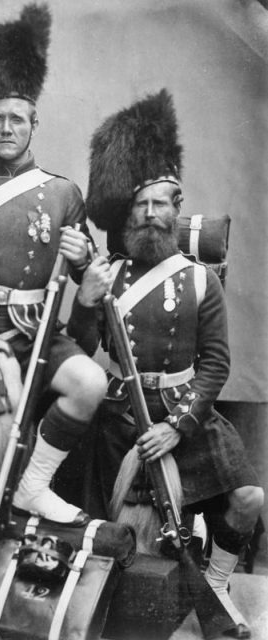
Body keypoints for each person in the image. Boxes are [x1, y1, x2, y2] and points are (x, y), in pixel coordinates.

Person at [68, 89, 264, 638]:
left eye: (160, 203)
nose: (150, 214)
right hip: (119, 416)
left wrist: (179, 427)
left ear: (178, 207)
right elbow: (79, 347)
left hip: (184, 415)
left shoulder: (202, 278)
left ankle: (219, 582)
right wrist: (85, 298)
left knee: (249, 498)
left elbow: (217, 364)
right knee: (109, 531)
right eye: (140, 203)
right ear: (126, 211)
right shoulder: (108, 274)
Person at [0, 4, 107, 526]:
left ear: (34, 124)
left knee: (90, 384)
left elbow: (89, 274)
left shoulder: (63, 192)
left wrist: (85, 263)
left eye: (17, 119)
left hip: (36, 334)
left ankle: (35, 486)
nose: (7, 128)